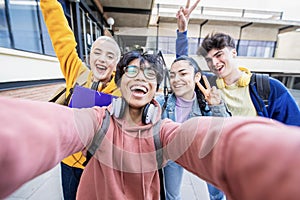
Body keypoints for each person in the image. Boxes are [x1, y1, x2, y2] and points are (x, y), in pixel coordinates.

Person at [1, 51, 300, 200]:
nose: (140, 77)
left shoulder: (164, 129)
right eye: (131, 70)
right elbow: (54, 125)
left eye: (149, 74)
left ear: (157, 88)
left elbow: (207, 139)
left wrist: (278, 162)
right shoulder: (96, 119)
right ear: (119, 83)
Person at [40, 0, 122, 199]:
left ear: (117, 63)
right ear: (89, 56)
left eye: (109, 56)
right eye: (97, 53)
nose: (102, 59)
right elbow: (62, 38)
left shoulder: (120, 92)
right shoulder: (76, 73)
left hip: (98, 167)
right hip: (68, 162)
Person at [175, 2, 300, 126]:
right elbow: (184, 66)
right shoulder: (208, 83)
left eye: (219, 55)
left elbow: (294, 129)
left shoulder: (268, 87)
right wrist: (182, 31)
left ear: (234, 52)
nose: (214, 63)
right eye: (208, 60)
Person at [173, 1, 227, 199]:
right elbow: (182, 61)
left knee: (217, 191)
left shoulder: (207, 93)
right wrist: (182, 31)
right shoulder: (174, 95)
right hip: (176, 148)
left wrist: (216, 105)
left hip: (202, 149)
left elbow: (223, 124)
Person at [156, 55, 229, 200]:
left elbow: (225, 132)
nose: (176, 80)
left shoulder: (210, 102)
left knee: (217, 195)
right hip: (173, 154)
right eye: (172, 75)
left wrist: (216, 107)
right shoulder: (161, 103)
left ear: (197, 77)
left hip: (203, 153)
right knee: (170, 196)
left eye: (183, 74)